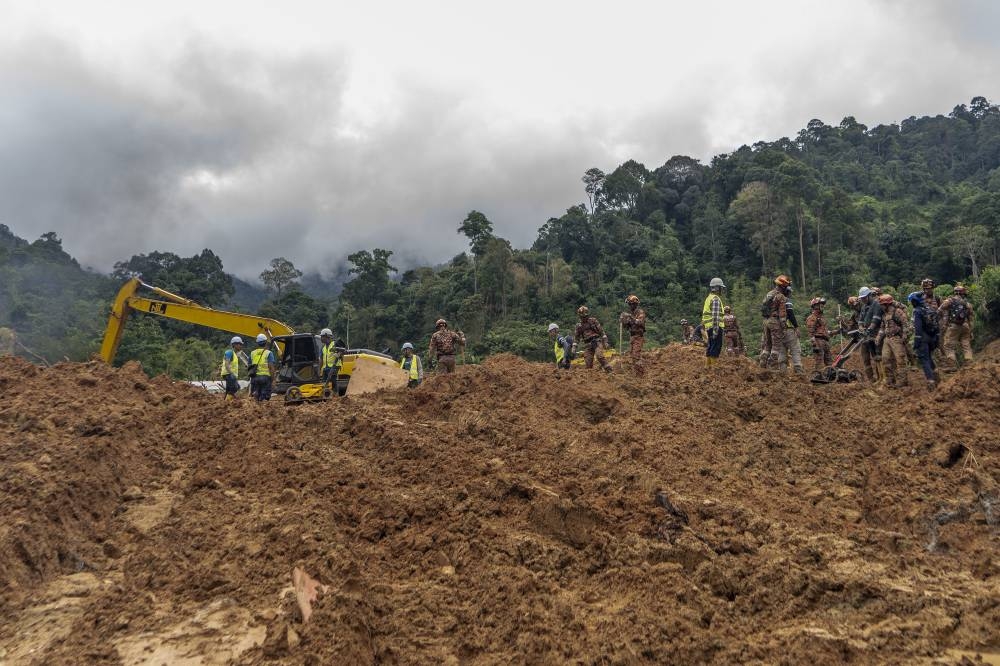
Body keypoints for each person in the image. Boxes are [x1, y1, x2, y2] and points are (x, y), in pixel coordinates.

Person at [876, 293, 909, 387]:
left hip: (897, 338)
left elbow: (906, 324)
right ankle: (890, 380)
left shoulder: (897, 312)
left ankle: (903, 381)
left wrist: (905, 336)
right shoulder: (884, 314)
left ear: (886, 304)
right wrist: (878, 337)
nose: (881, 307)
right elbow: (882, 327)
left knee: (900, 360)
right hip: (887, 338)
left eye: (882, 305)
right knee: (885, 359)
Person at [938, 284, 974, 370]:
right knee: (966, 344)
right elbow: (971, 318)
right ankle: (969, 362)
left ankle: (952, 365)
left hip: (954, 325)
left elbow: (940, 310)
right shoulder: (968, 304)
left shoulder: (950, 300)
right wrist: (971, 331)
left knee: (948, 346)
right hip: (965, 326)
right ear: (964, 294)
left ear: (955, 292)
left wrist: (943, 321)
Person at [909, 291, 939, 391]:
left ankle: (931, 382)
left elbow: (918, 329)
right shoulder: (929, 309)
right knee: (929, 357)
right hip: (932, 338)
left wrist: (916, 345)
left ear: (914, 302)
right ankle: (937, 377)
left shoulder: (917, 311)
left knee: (924, 360)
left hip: (923, 339)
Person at [762, 275, 792, 371]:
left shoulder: (769, 293)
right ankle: (773, 367)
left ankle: (762, 363)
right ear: (783, 286)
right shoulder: (781, 296)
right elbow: (782, 315)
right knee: (776, 346)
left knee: (767, 345)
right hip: (775, 321)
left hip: (766, 321)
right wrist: (784, 328)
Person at [573, 306, 612, 372]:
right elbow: (576, 338)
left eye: (585, 316)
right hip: (587, 344)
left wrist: (605, 342)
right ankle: (591, 376)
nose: (584, 318)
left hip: (596, 341)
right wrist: (574, 347)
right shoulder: (579, 326)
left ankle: (609, 370)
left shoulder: (593, 321)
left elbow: (601, 332)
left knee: (599, 356)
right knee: (588, 362)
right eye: (582, 317)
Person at [858, 287, 882, 382]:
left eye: (864, 298)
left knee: (877, 357)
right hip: (866, 336)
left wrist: (869, 329)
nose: (863, 300)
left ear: (869, 296)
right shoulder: (863, 307)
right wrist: (861, 328)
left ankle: (881, 378)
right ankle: (871, 379)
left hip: (875, 335)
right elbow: (860, 321)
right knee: (865, 358)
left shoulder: (876, 304)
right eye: (862, 298)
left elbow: (876, 319)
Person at [620, 295, 646, 375]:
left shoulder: (640, 312)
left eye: (632, 304)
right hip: (632, 336)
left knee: (636, 355)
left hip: (638, 336)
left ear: (635, 304)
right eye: (629, 304)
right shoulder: (630, 314)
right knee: (632, 356)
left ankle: (640, 374)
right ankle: (637, 373)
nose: (630, 306)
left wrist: (630, 317)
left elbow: (640, 322)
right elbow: (626, 326)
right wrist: (623, 321)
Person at [702, 277, 726, 367]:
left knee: (711, 346)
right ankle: (714, 367)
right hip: (715, 326)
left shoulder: (709, 298)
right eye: (721, 288)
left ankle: (707, 366)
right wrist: (716, 331)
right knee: (716, 347)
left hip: (709, 327)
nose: (722, 290)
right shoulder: (715, 299)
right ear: (716, 288)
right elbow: (715, 316)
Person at [805, 297, 832, 371]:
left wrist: (834, 332)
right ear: (815, 306)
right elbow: (811, 332)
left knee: (829, 360)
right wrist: (814, 344)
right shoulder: (812, 318)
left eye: (822, 305)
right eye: (820, 304)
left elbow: (825, 330)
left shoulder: (822, 317)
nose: (822, 306)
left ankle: (829, 375)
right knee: (819, 361)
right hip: (818, 340)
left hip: (825, 340)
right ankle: (817, 376)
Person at [249, 333, 277, 401]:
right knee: (265, 398)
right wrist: (273, 380)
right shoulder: (268, 353)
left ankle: (257, 409)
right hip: (265, 379)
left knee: (256, 399)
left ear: (257, 343)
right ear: (266, 342)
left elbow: (249, 367)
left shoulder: (252, 353)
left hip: (255, 378)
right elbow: (271, 368)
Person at [782, 296, 805, 375]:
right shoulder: (786, 299)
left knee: (781, 353)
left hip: (778, 331)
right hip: (789, 330)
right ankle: (799, 372)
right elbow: (790, 313)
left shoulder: (773, 299)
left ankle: (783, 374)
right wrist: (796, 327)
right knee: (795, 350)